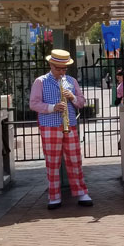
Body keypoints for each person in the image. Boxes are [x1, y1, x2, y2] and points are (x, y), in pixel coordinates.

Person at [29, 49, 93, 210]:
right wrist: (52, 107)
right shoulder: (40, 81)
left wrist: (72, 97)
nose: (62, 71)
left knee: (75, 160)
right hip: (49, 125)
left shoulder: (71, 81)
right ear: (51, 65)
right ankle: (54, 196)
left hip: (69, 124)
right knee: (52, 162)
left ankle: (81, 192)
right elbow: (34, 103)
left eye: (64, 68)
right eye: (58, 68)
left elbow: (81, 102)